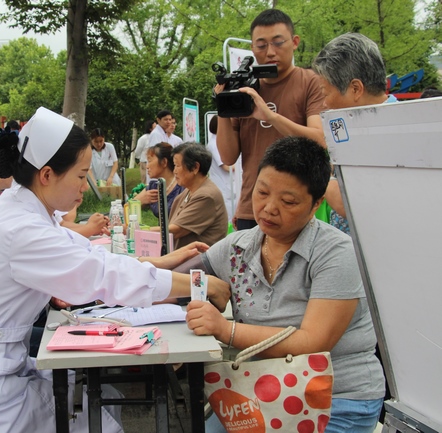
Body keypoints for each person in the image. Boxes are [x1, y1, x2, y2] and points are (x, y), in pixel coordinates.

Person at [0, 107, 230, 433]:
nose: (86, 187)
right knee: (94, 415)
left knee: (96, 400)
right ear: (46, 174)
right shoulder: (23, 229)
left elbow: (89, 255)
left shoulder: (23, 208)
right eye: (81, 175)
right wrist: (201, 283)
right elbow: (103, 274)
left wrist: (167, 263)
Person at [187, 136, 385, 433]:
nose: (268, 208)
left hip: (335, 398)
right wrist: (149, 269)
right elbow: (185, 278)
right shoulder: (240, 245)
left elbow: (312, 343)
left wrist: (225, 329)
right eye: (262, 192)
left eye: (288, 201)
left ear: (316, 203)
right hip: (258, 388)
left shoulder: (336, 253)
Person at [215, 9, 326, 230]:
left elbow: (320, 140)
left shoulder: (310, 81)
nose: (270, 52)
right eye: (261, 45)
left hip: (294, 208)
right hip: (252, 207)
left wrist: (270, 116)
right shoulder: (243, 87)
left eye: (278, 43)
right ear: (252, 48)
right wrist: (223, 106)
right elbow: (227, 157)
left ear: (294, 42)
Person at [312, 32, 398, 234]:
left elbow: (352, 205)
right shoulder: (361, 129)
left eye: (326, 93)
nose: (325, 103)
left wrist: (320, 178)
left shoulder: (394, 135)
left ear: (356, 89)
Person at [160, 142, 228, 250]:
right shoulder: (189, 190)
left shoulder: (206, 196)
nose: (175, 171)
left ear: (195, 167)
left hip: (198, 263)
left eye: (177, 165)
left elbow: (175, 231)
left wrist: (138, 231)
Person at [133, 142, 184, 219]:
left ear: (164, 162)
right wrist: (139, 200)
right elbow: (126, 209)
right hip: (159, 230)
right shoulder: (154, 186)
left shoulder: (182, 187)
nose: (147, 166)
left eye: (150, 161)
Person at [206, 115, 240, 222]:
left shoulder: (218, 141)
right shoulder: (214, 143)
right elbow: (226, 166)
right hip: (223, 187)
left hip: (228, 186)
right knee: (228, 218)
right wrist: (240, 166)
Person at [133, 119, 156, 184]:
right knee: (145, 180)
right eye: (155, 127)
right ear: (150, 128)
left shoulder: (156, 137)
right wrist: (141, 159)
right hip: (145, 162)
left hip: (155, 162)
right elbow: (138, 151)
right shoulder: (143, 138)